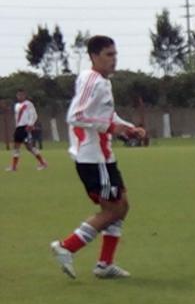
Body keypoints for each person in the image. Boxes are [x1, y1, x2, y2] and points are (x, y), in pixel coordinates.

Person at [50, 36, 146, 280]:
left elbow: (107, 115)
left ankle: (104, 265)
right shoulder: (93, 81)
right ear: (94, 56)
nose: (114, 60)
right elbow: (76, 116)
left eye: (115, 54)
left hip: (105, 157)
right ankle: (67, 247)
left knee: (122, 206)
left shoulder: (101, 81)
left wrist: (127, 127)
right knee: (112, 210)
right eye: (108, 55)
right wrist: (110, 128)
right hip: (94, 158)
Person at [6, 90, 48, 171]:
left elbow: (34, 114)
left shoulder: (28, 104)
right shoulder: (17, 105)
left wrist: (30, 124)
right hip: (19, 128)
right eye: (18, 95)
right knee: (16, 146)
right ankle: (14, 166)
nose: (19, 97)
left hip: (25, 127)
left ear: (24, 96)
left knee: (29, 147)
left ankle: (43, 163)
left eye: (21, 95)